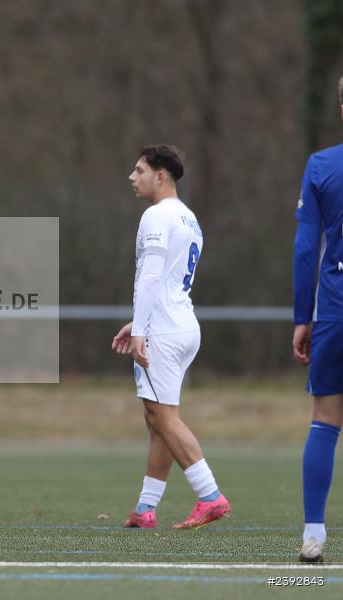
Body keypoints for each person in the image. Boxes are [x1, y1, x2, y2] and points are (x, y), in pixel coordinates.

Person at [111, 144, 231, 530]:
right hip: (182, 325)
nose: (133, 177)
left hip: (162, 329)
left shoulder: (156, 216)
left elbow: (150, 275)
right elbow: (165, 279)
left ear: (160, 175)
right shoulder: (189, 218)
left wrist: (142, 328)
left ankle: (210, 496)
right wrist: (139, 321)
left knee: (161, 415)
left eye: (139, 170)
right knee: (158, 418)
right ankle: (146, 508)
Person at [291, 76, 343, 563]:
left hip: (335, 309)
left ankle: (313, 536)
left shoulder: (322, 165)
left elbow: (307, 248)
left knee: (326, 421)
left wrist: (301, 315)